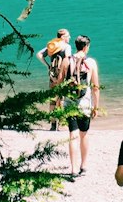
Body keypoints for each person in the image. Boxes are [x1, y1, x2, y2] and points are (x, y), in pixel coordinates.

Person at [58, 35, 100, 177]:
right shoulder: (91, 63)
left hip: (69, 102)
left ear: (76, 46)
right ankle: (84, 165)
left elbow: (59, 83)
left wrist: (58, 101)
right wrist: (96, 106)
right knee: (84, 134)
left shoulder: (66, 60)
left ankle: (73, 169)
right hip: (84, 103)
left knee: (73, 135)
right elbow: (95, 87)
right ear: (86, 46)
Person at [35, 27, 72, 130]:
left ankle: (52, 125)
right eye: (68, 36)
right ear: (63, 37)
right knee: (61, 98)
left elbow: (39, 54)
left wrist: (47, 65)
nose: (69, 37)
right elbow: (67, 61)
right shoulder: (66, 47)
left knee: (52, 99)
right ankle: (59, 124)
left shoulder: (52, 46)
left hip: (52, 76)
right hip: (62, 76)